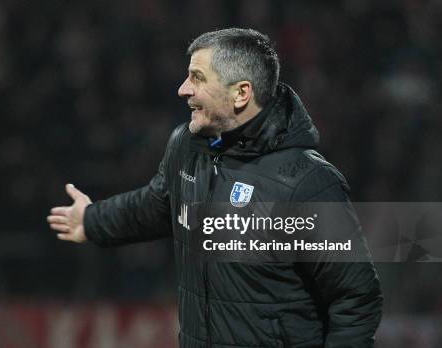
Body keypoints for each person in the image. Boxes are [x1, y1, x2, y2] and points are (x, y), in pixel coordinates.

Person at [47, 28, 382, 348]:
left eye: (197, 78)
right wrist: (92, 219)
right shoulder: (186, 146)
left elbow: (355, 298)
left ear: (241, 93)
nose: (183, 89)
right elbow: (157, 205)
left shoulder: (307, 183)